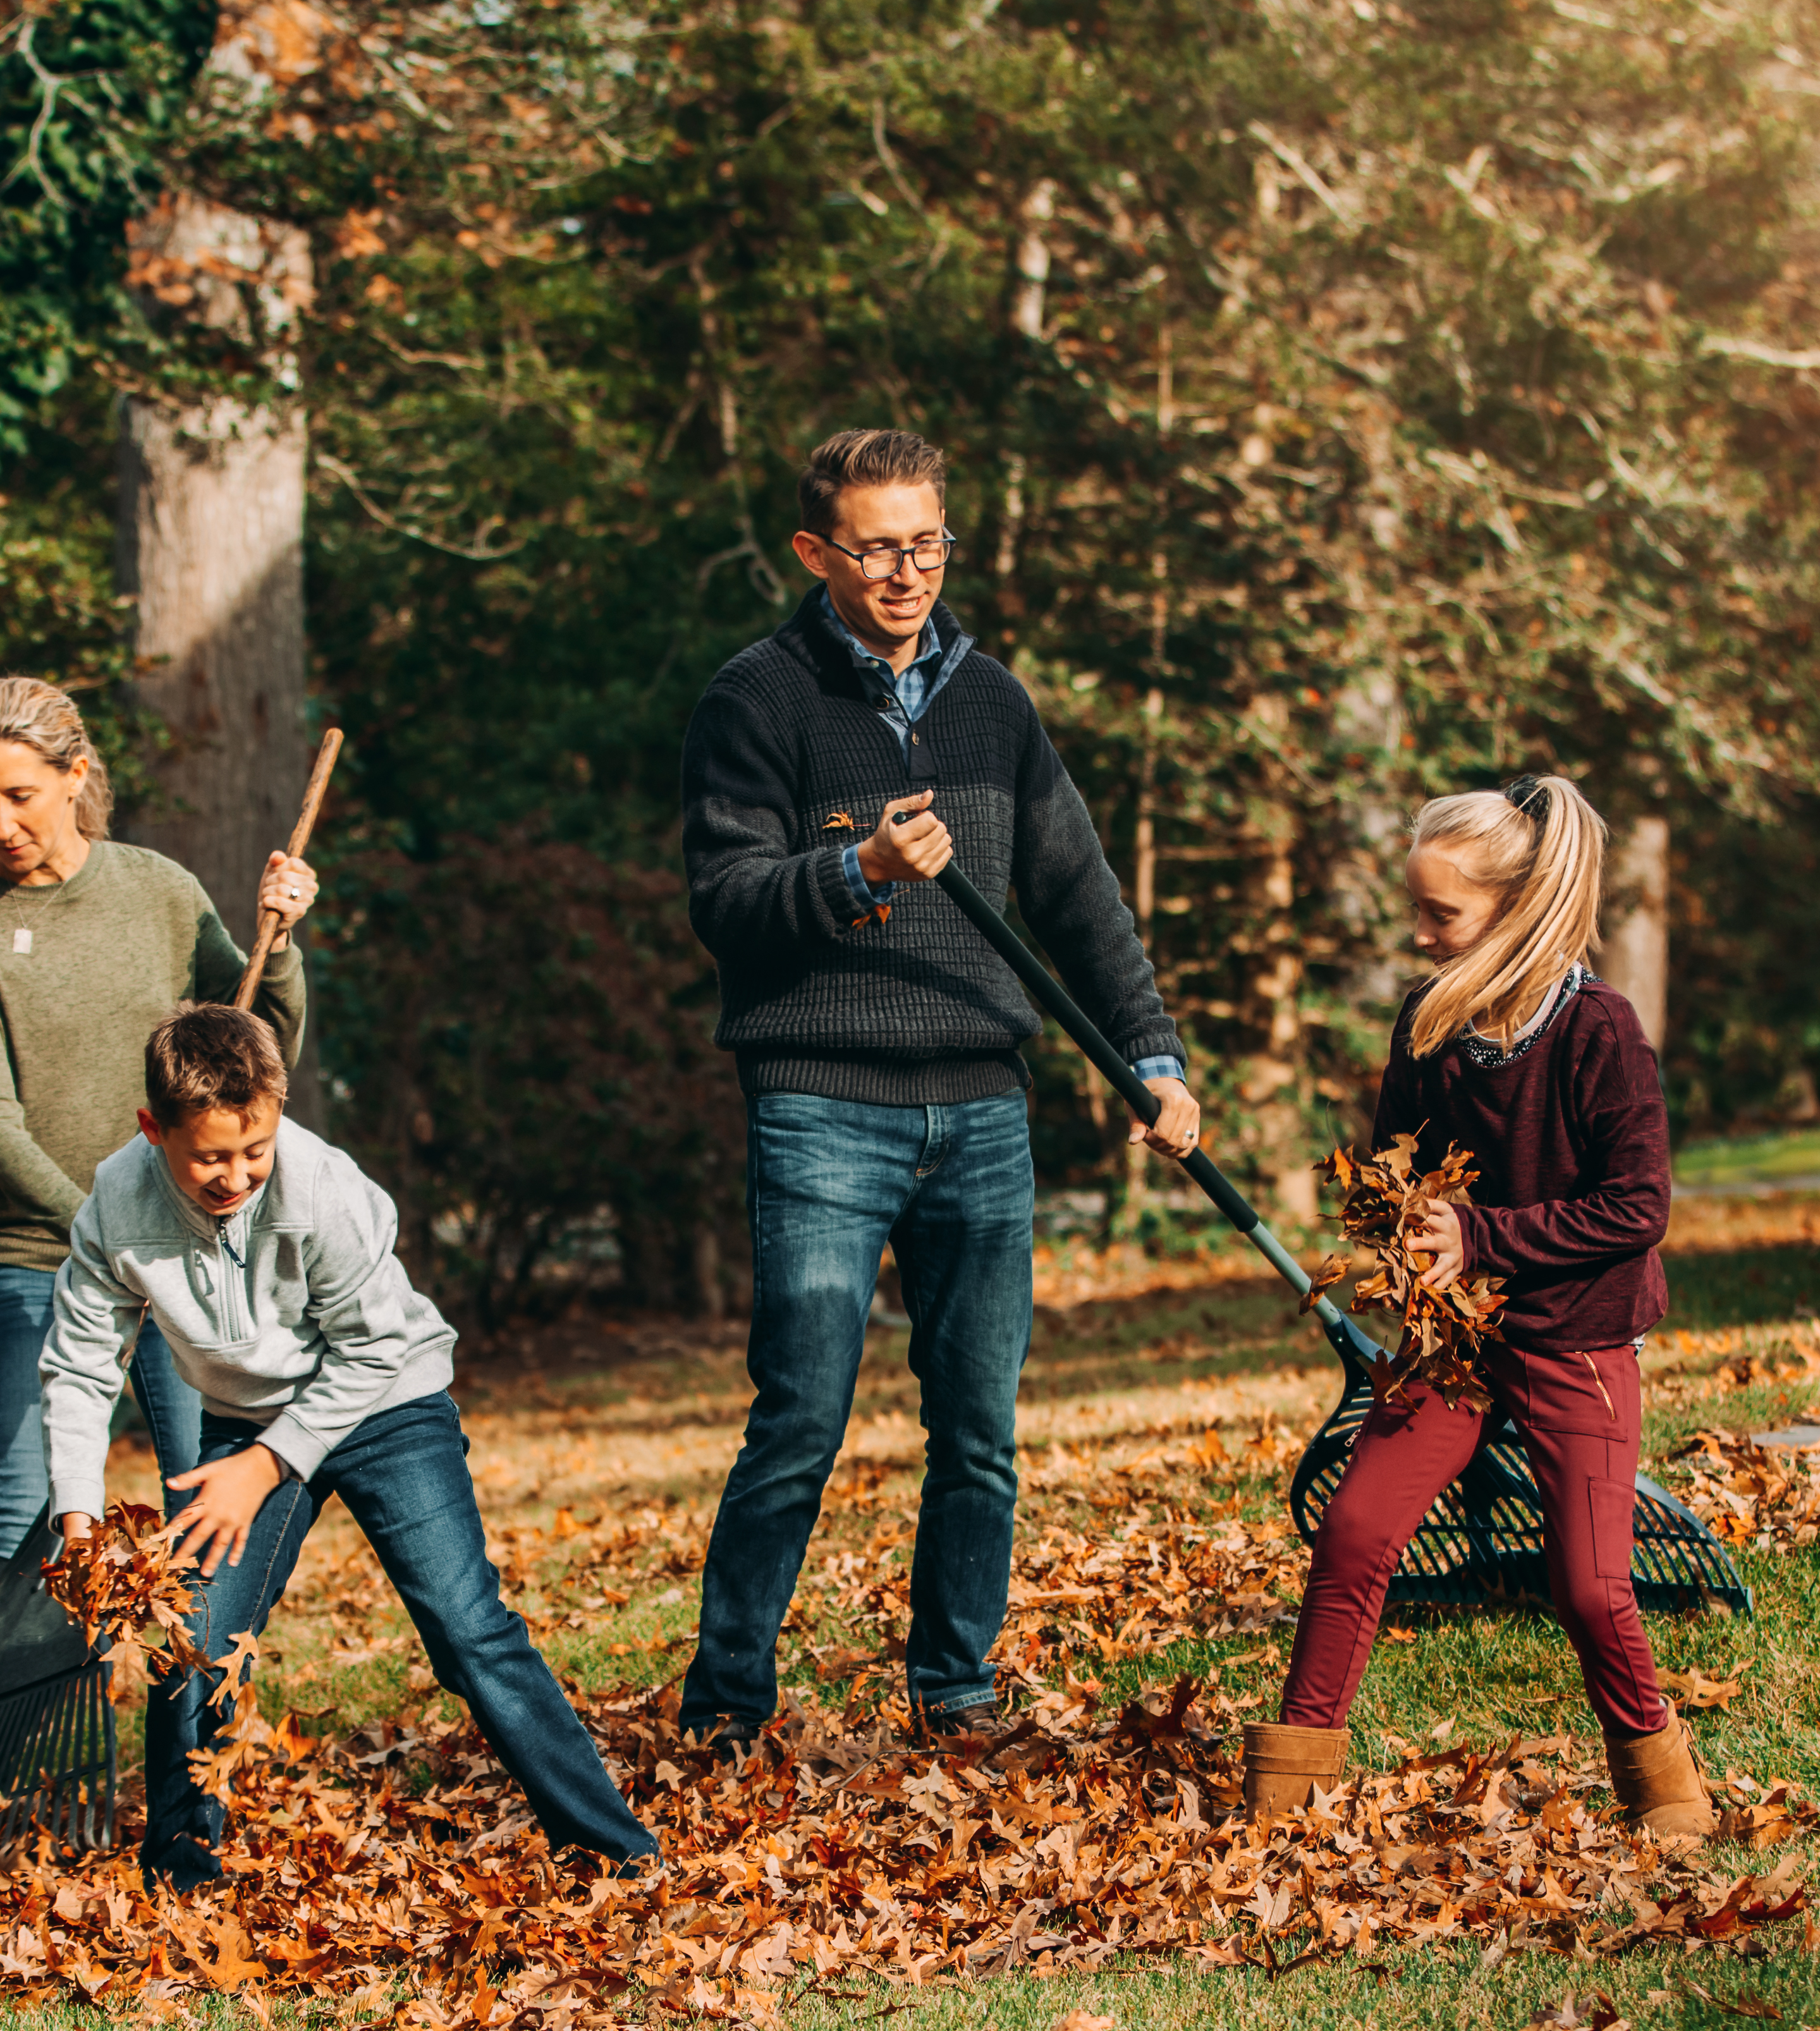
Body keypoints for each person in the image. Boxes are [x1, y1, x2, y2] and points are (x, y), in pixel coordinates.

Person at [674, 427, 1200, 1747]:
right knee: (798, 1419)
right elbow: (725, 902)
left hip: (979, 1106)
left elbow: (1076, 896)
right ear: (815, 553)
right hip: (820, 1105)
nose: (906, 571)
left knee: (976, 1426)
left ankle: (953, 1692)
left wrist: (1149, 1054)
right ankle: (725, 1709)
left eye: (925, 543)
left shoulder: (993, 702)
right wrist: (859, 878)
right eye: (875, 547)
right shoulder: (757, 698)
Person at [42, 1004, 657, 1884]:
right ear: (153, 1129)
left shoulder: (321, 1186)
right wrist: (76, 1512)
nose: (236, 1176)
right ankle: (180, 1868)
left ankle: (612, 1846)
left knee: (465, 1626)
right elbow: (79, 1361)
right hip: (245, 1419)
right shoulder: (118, 1199)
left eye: (254, 1150)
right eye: (210, 1156)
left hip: (386, 1405)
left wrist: (266, 1466)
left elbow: (371, 1347)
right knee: (195, 1636)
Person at [1244, 775, 1709, 1837]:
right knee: (1355, 1533)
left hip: (1574, 1340)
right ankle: (1287, 1793)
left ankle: (1666, 1789)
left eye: (1439, 914)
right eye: (1414, 908)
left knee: (1590, 1590)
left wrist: (1485, 1236)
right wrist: (1390, 1222)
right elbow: (1395, 1161)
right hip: (1454, 1342)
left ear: (1514, 907)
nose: (1419, 934)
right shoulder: (1430, 1021)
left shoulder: (1600, 1032)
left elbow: (1639, 1207)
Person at [0, 678, 317, 1631]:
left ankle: (196, 1737)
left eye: (19, 794)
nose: (0, 820)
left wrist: (287, 943)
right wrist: (106, 1232)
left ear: (74, 777)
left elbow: (255, 1056)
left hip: (180, 1250)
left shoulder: (160, 891)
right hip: (38, 1259)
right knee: (23, 1504)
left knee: (198, 1496)